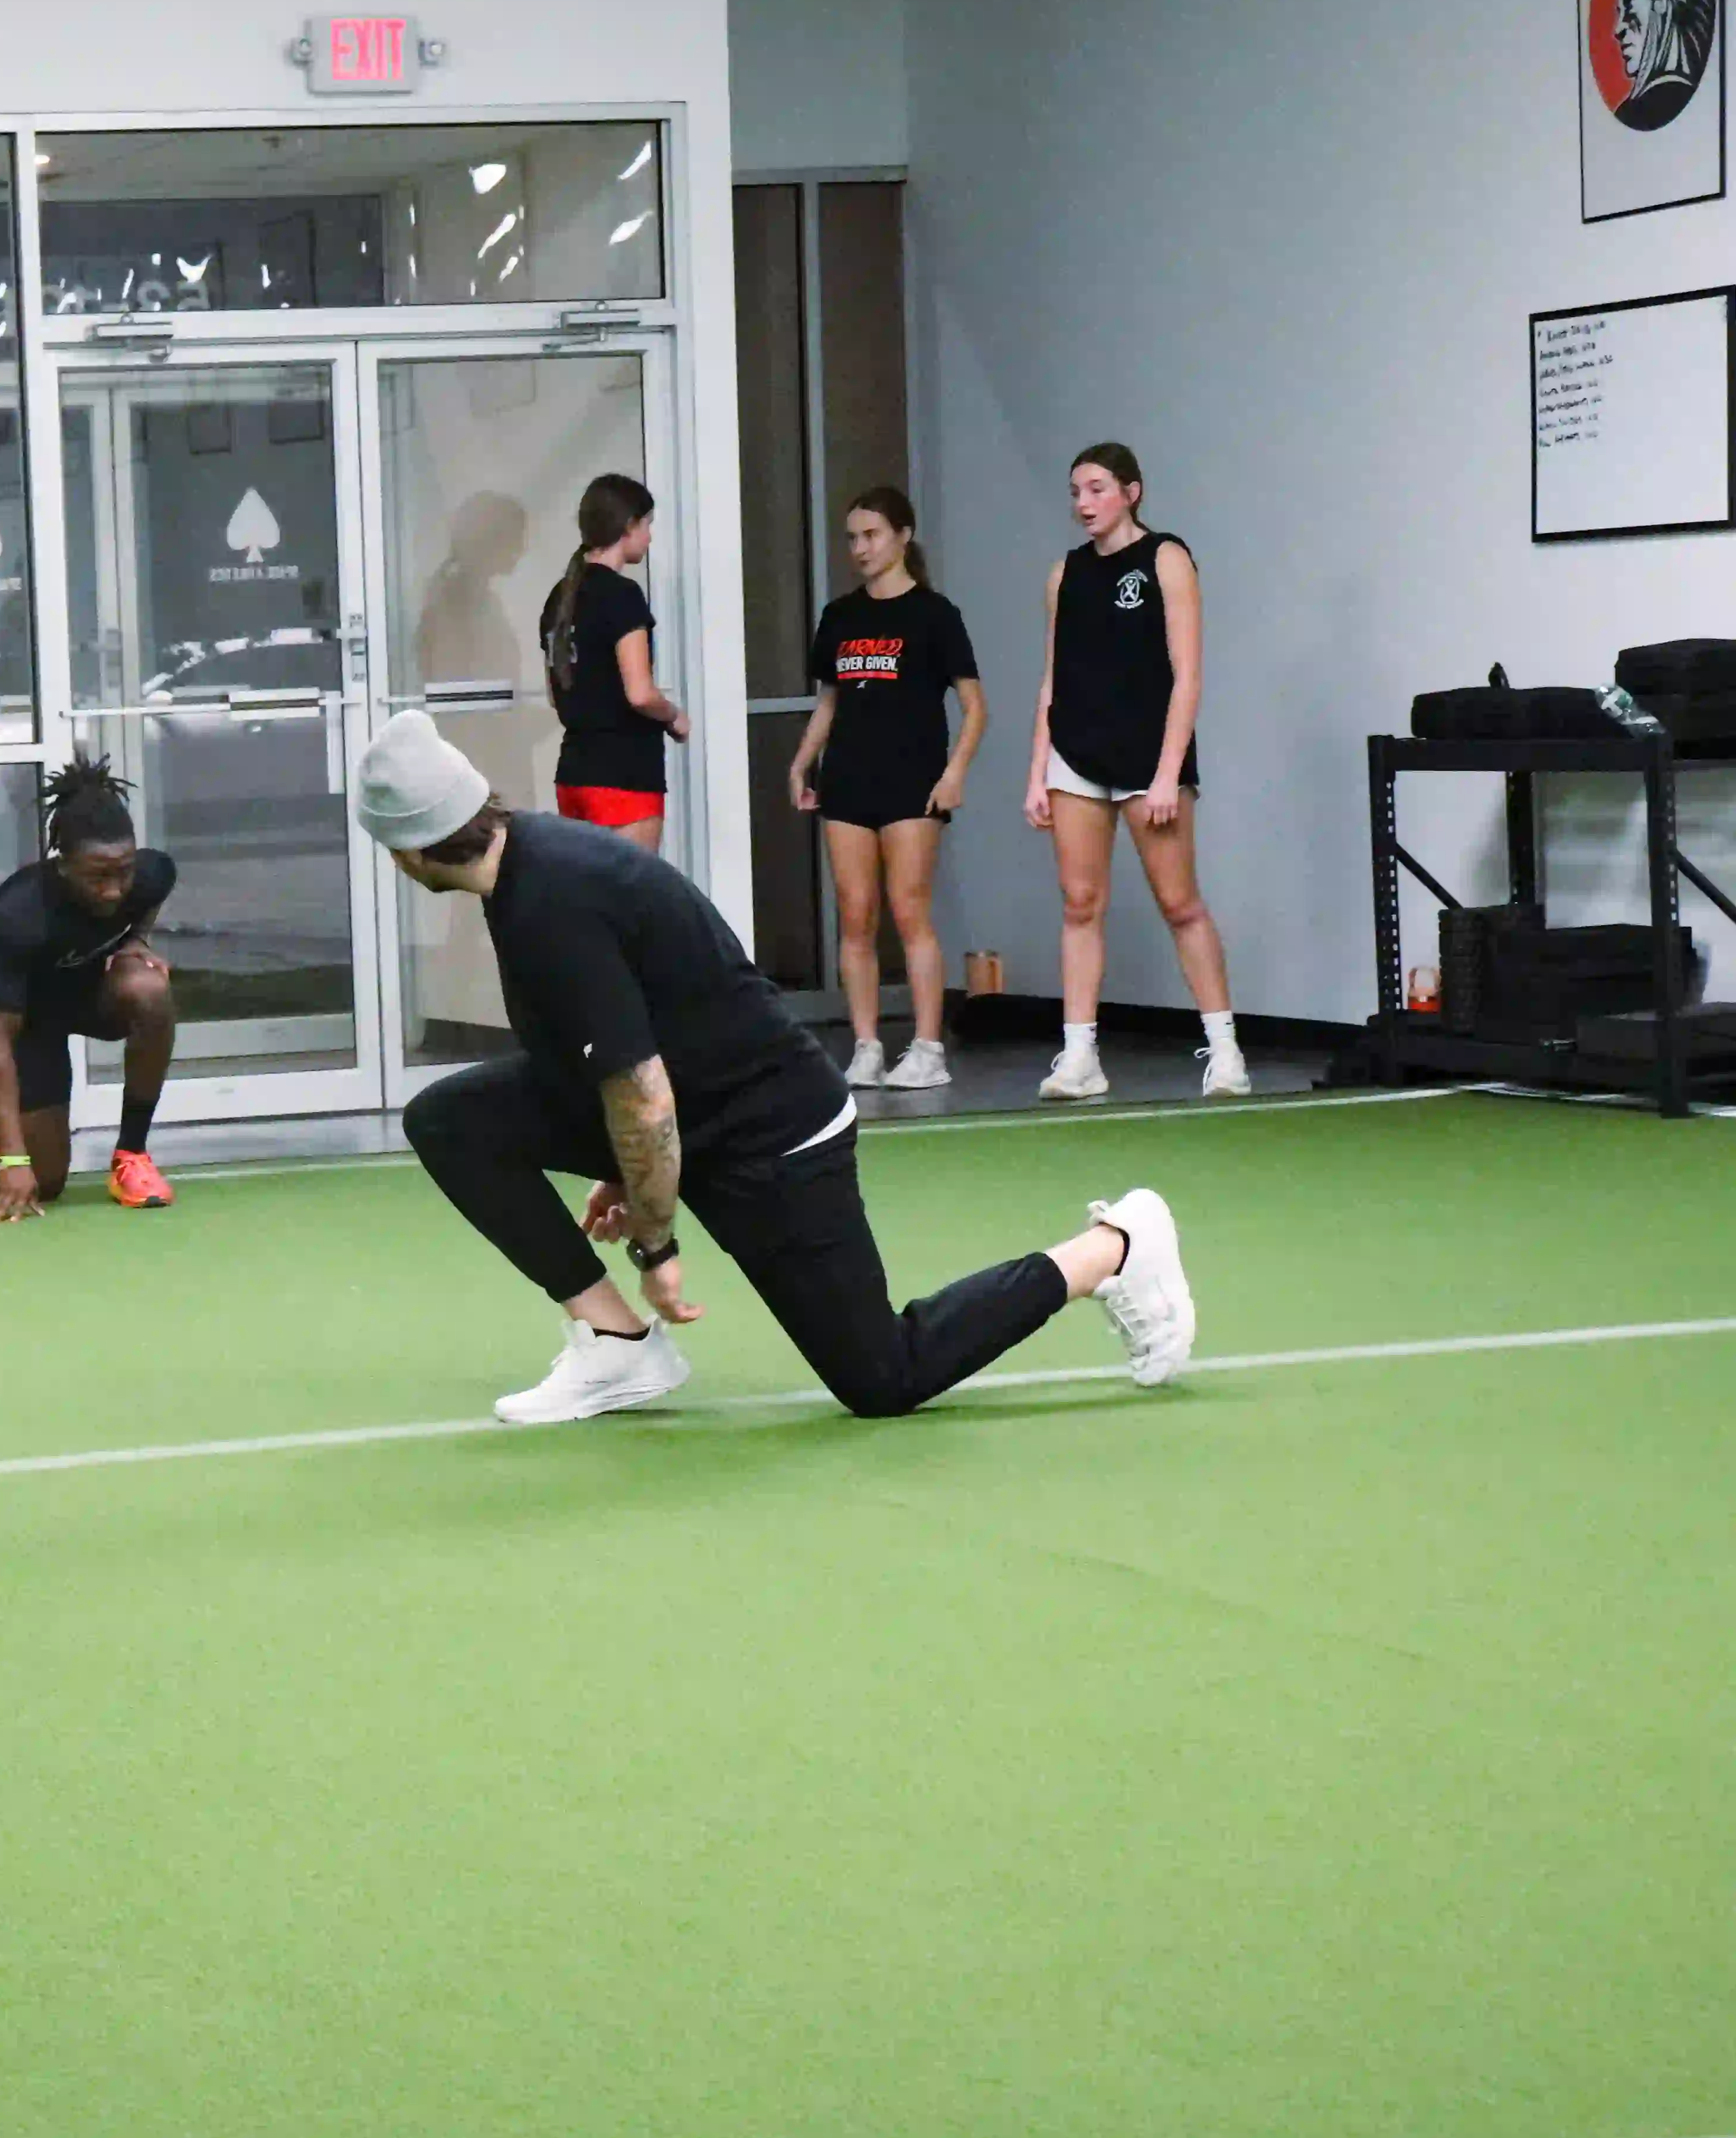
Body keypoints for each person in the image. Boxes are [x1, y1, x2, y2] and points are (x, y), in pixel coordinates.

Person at [355, 710, 1194, 1426]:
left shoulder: (550, 903)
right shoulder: (525, 870)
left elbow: (643, 1100)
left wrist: (654, 1242)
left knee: (882, 1378)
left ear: (409, 851)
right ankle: (616, 1343)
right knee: (451, 1120)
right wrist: (622, 1168)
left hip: (775, 1136)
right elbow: (627, 1046)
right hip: (694, 1106)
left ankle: (1114, 1247)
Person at [1024, 442, 1245, 1101]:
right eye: (1076, 492)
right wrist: (1038, 772)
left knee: (1179, 902)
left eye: (1097, 489)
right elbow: (1052, 680)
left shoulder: (1166, 558)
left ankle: (1226, 1051)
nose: (1084, 503)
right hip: (1076, 754)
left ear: (1131, 492)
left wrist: (1168, 772)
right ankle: (1080, 1057)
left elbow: (1187, 675)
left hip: (1150, 757)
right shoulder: (1065, 574)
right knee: (1080, 903)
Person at [789, 488, 986, 1090]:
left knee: (909, 910)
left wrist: (955, 773)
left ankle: (928, 1049)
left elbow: (975, 707)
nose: (860, 548)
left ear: (903, 535)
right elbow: (831, 701)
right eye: (853, 537)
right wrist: (801, 764)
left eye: (872, 535)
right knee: (855, 915)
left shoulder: (935, 614)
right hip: (848, 778)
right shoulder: (840, 616)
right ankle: (867, 1046)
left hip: (913, 781)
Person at [0, 755, 179, 1220]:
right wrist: (12, 1160)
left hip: (94, 999)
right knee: (43, 1184)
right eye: (98, 876)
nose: (114, 889)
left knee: (149, 988)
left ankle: (132, 1155)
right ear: (63, 866)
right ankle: (17, 1140)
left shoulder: (147, 875)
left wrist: (137, 940)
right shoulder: (19, 913)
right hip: (33, 1022)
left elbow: (160, 879)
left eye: (123, 871)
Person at [539, 473, 686, 849]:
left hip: (574, 776)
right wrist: (674, 716)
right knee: (633, 888)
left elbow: (557, 695)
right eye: (647, 525)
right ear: (628, 526)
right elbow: (641, 694)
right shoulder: (622, 595)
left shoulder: (559, 597)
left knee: (588, 886)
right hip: (624, 778)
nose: (649, 537)